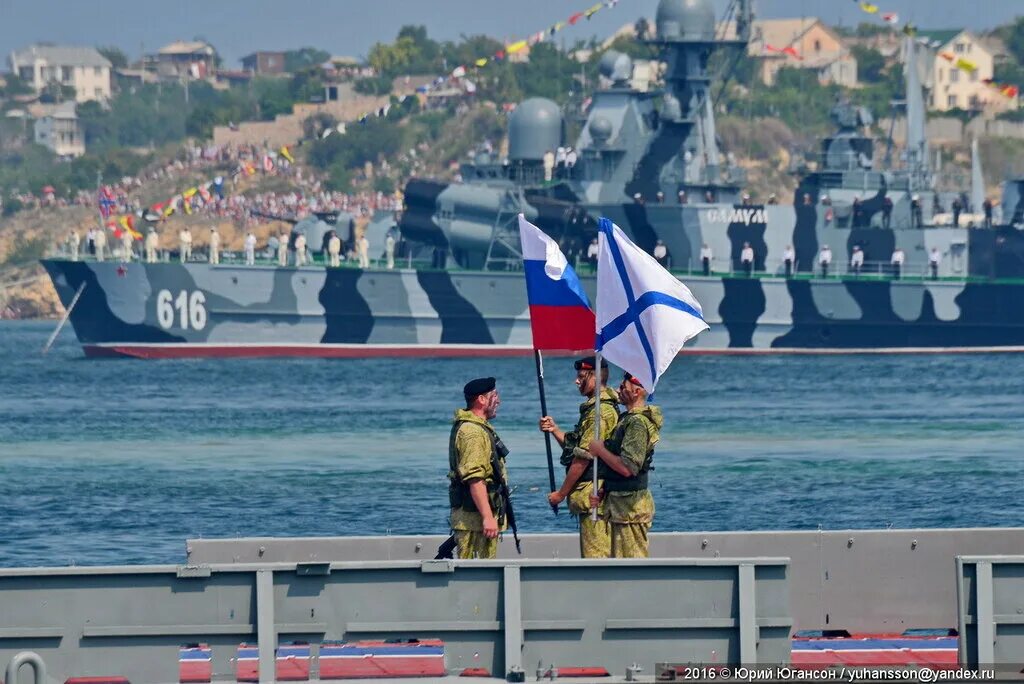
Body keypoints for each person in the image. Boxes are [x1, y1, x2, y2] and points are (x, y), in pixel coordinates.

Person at [539, 357, 618, 558]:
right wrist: (554, 430)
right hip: (593, 497)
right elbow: (576, 447)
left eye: (581, 377)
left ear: (595, 376)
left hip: (595, 500)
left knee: (596, 559)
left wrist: (561, 494)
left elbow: (583, 458)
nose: (576, 381)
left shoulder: (599, 413)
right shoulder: (594, 409)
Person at [588, 373, 662, 559]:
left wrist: (599, 450)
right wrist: (604, 491)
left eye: (623, 387)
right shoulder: (626, 418)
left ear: (637, 391)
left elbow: (628, 468)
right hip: (619, 505)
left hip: (631, 509)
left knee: (631, 564)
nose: (619, 390)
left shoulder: (637, 423)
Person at [448, 377, 510, 560]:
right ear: (482, 399)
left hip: (477, 519)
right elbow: (475, 478)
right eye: (495, 396)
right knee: (475, 575)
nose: (498, 401)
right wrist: (487, 517)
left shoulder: (477, 428)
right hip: (474, 521)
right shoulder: (473, 432)